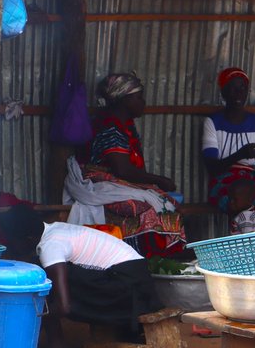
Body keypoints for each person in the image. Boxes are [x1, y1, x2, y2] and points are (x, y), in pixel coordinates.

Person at [0, 204, 163, 348]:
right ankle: (57, 345)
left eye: (12, 242)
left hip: (128, 292)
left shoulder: (50, 245)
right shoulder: (55, 230)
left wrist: (31, 318)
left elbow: (64, 307)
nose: (11, 247)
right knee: (48, 278)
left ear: (28, 239)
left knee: (42, 287)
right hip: (138, 284)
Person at [65, 72, 186, 257]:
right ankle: (146, 258)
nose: (143, 102)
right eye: (138, 97)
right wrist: (159, 180)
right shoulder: (110, 126)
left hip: (116, 181)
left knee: (164, 202)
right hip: (98, 181)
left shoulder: (125, 125)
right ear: (124, 100)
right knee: (147, 208)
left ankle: (163, 256)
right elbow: (122, 169)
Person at [201, 67, 255, 234]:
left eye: (243, 89)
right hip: (223, 179)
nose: (239, 94)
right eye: (233, 88)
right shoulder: (213, 122)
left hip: (252, 179)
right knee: (238, 204)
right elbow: (211, 166)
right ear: (224, 93)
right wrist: (241, 154)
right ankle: (241, 250)